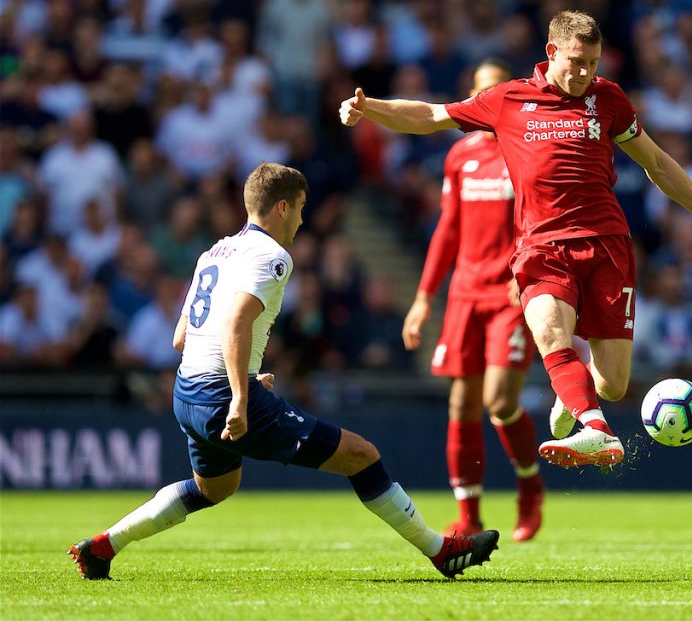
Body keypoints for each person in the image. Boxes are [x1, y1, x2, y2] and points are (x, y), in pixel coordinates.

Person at [68, 163, 499, 581]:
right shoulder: (273, 255)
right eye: (300, 206)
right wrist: (240, 393)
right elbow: (236, 322)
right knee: (362, 455)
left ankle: (104, 545)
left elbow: (182, 336)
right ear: (281, 207)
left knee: (213, 488)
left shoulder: (213, 251)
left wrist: (247, 376)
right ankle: (442, 553)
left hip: (188, 392)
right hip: (222, 396)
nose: (301, 218)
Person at [341, 11, 692, 467]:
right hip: (541, 248)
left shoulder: (609, 99)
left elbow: (657, 164)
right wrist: (370, 108)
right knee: (549, 333)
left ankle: (576, 393)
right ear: (551, 52)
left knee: (613, 385)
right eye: (577, 62)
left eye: (594, 63)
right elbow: (431, 115)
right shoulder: (507, 100)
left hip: (607, 244)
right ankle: (597, 430)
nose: (585, 73)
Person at [402, 59, 544, 541]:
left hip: (508, 293)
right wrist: (424, 297)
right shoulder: (459, 155)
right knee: (461, 405)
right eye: (481, 89)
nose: (488, 98)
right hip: (465, 292)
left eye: (496, 90)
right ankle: (470, 516)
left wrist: (525, 273)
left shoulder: (525, 150)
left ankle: (529, 488)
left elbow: (539, 221)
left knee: (500, 402)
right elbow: (448, 229)